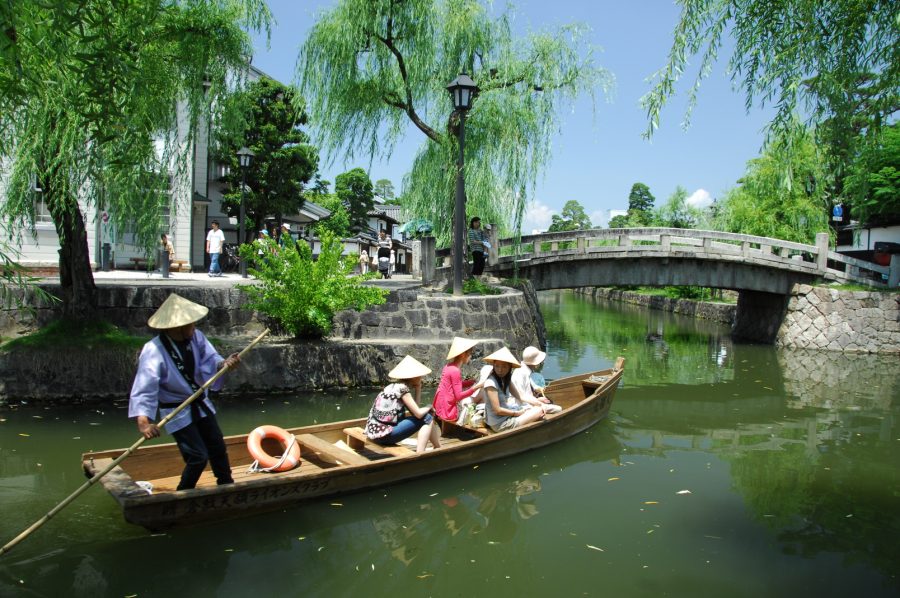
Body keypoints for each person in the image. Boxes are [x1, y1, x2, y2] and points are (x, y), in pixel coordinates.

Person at [128, 293, 242, 490]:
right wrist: (144, 422)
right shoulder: (154, 350)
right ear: (177, 327)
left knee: (217, 446)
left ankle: (226, 485)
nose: (194, 327)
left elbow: (211, 358)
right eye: (190, 324)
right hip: (177, 410)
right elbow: (145, 386)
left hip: (199, 401)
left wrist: (224, 364)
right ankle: (183, 493)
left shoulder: (195, 337)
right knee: (197, 456)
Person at [365, 355, 440, 453]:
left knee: (424, 416)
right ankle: (421, 453)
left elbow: (415, 412)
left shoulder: (392, 386)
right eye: (420, 375)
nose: (421, 377)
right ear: (414, 376)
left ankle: (437, 447)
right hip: (385, 436)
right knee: (428, 418)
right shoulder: (402, 389)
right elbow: (418, 414)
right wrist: (429, 406)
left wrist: (418, 388)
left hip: (374, 433)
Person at [481, 347, 545, 432]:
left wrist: (537, 403)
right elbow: (497, 410)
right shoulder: (490, 383)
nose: (500, 370)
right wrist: (516, 413)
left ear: (509, 368)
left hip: (506, 416)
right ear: (493, 366)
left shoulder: (506, 379)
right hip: (500, 424)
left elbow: (520, 396)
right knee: (539, 411)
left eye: (504, 367)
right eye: (497, 366)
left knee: (537, 407)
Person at [433, 337, 485, 425]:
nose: (470, 356)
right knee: (477, 402)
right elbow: (458, 396)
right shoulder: (455, 371)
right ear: (463, 354)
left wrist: (470, 382)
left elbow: (454, 385)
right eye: (469, 354)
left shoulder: (448, 366)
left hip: (440, 407)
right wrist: (476, 387)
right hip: (448, 411)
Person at [511, 346, 562, 414]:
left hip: (527, 402)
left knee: (549, 401)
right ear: (536, 363)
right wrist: (538, 401)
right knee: (558, 409)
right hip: (522, 407)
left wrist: (537, 398)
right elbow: (520, 397)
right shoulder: (521, 373)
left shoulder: (525, 371)